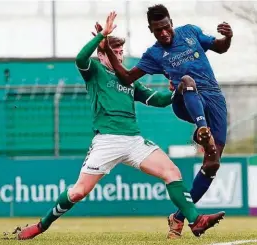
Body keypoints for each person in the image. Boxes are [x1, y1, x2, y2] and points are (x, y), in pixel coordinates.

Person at [13, 12, 225, 240]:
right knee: (78, 192)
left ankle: (194, 220)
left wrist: (176, 91)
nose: (119, 56)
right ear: (102, 56)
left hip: (134, 141)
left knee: (171, 172)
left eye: (121, 52)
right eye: (114, 53)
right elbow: (80, 59)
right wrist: (101, 36)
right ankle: (42, 225)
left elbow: (159, 100)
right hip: (107, 141)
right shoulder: (95, 72)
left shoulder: (130, 83)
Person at [104, 5, 233, 239]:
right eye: (157, 30)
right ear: (150, 30)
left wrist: (228, 37)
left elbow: (221, 48)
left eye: (165, 28)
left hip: (214, 97)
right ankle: (202, 129)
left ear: (171, 22)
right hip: (185, 100)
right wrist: (107, 49)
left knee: (212, 164)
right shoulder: (154, 54)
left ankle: (179, 218)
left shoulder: (190, 33)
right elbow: (127, 76)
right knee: (186, 80)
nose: (163, 33)